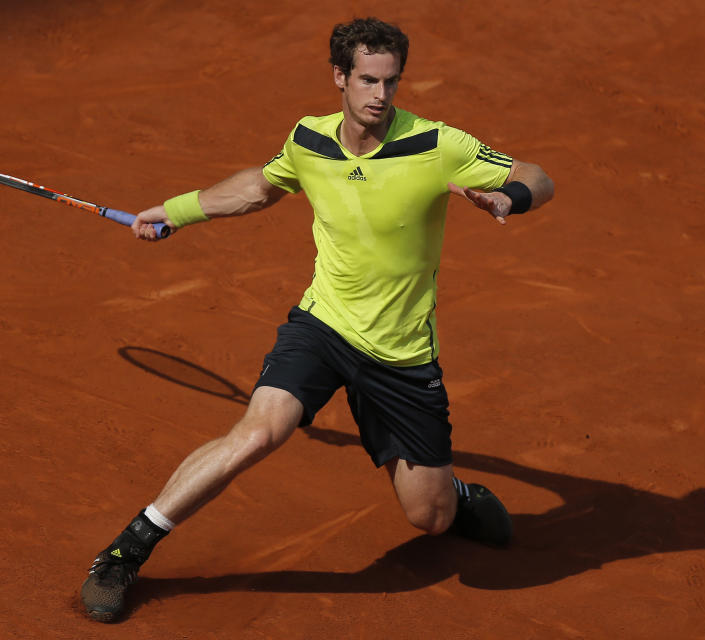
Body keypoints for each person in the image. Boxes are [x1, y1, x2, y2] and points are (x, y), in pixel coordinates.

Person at [80, 16, 554, 622]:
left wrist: (508, 198)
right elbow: (260, 186)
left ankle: (454, 497)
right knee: (257, 433)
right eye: (367, 80)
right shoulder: (309, 140)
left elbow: (536, 175)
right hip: (322, 328)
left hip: (401, 356)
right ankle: (125, 551)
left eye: (391, 82)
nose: (380, 95)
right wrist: (175, 211)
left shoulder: (437, 145)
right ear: (340, 77)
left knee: (428, 517)